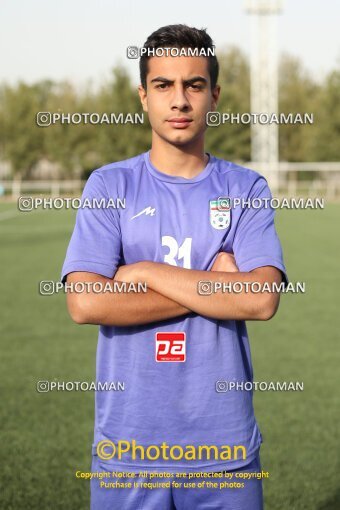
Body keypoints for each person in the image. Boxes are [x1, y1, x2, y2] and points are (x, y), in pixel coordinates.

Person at [61, 24, 287, 510]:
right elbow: (84, 302)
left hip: (223, 451)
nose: (179, 100)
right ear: (144, 96)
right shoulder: (109, 186)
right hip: (129, 449)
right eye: (163, 85)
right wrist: (217, 286)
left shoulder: (246, 189)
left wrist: (143, 271)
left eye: (194, 85)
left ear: (214, 96)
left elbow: (262, 299)